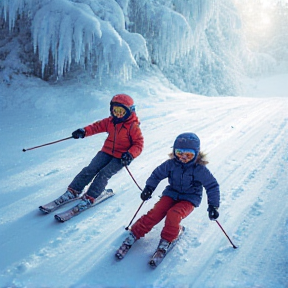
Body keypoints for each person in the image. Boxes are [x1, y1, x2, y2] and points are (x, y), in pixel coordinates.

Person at [116, 132, 220, 259]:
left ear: (196, 154)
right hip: (171, 193)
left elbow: (212, 186)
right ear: (174, 152)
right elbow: (156, 175)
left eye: (189, 155)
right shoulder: (170, 164)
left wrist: (213, 206)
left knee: (174, 214)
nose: (183, 158)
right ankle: (135, 233)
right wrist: (149, 188)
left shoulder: (200, 169)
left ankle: (167, 240)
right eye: (179, 153)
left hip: (189, 198)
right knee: (156, 212)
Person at [49, 94, 144, 211]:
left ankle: (91, 197)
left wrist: (130, 154)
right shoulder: (110, 121)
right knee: (90, 169)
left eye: (122, 111)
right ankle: (73, 191)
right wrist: (83, 131)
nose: (118, 114)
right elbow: (96, 127)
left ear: (129, 111)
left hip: (121, 157)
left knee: (104, 173)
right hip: (107, 151)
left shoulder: (133, 127)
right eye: (116, 111)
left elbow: (138, 144)